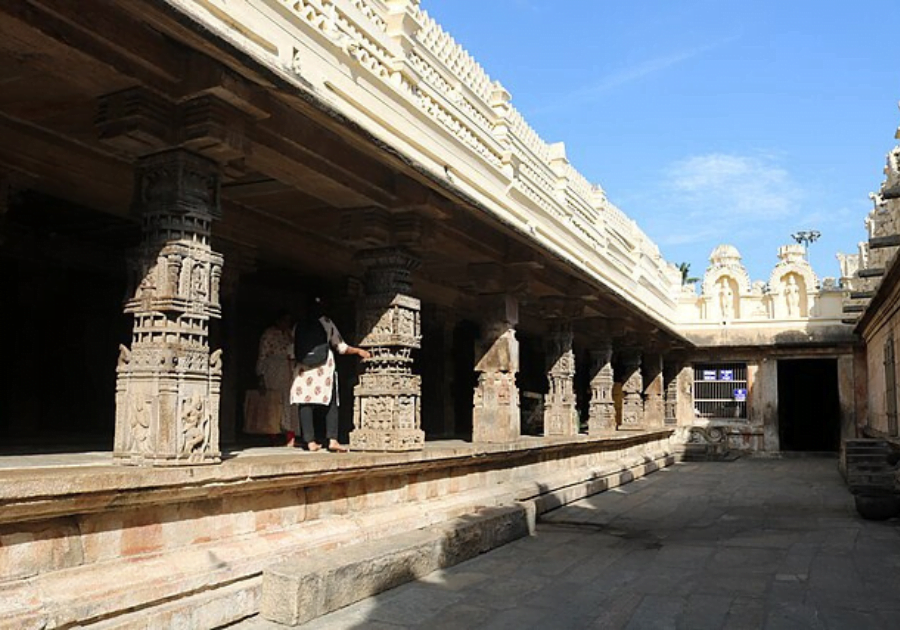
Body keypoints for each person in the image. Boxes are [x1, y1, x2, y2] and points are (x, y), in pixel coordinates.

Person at [290, 297, 370, 452]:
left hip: (303, 370)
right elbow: (341, 347)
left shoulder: (298, 325)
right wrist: (358, 351)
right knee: (331, 403)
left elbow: (291, 348)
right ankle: (332, 440)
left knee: (305, 403)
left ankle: (310, 442)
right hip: (324, 370)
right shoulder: (326, 322)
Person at [249, 312, 296, 444]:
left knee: (290, 403)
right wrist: (261, 375)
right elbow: (263, 355)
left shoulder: (289, 334)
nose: (286, 323)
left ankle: (290, 436)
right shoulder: (269, 334)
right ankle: (273, 436)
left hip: (289, 369)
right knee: (274, 403)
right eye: (284, 320)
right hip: (273, 370)